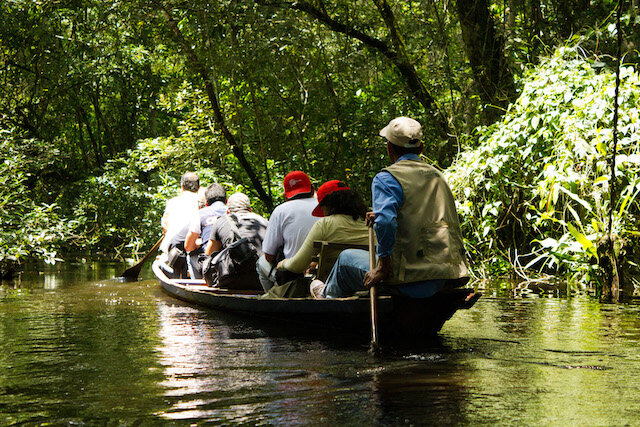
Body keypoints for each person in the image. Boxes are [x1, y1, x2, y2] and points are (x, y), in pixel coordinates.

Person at [318, 116, 469, 299]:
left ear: (389, 148)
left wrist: (382, 268)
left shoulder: (387, 178)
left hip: (409, 276)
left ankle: (326, 298)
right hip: (449, 273)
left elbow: (386, 223)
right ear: (420, 148)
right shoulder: (438, 176)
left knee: (345, 258)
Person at [275, 180, 370, 297]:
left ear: (327, 205)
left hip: (336, 288)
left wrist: (283, 263)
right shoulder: (371, 223)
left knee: (312, 283)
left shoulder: (325, 224)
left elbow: (297, 266)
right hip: (368, 282)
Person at [256, 171, 319, 291]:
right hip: (324, 274)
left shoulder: (281, 211)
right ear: (312, 189)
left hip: (293, 275)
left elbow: (269, 256)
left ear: (286, 196)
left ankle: (273, 297)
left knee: (260, 262)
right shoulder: (325, 208)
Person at [204, 192, 269, 289]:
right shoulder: (264, 221)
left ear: (228, 211)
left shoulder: (221, 221)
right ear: (250, 210)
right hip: (262, 280)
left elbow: (209, 253)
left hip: (233, 280)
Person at [159, 172, 200, 278]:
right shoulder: (203, 202)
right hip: (194, 250)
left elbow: (165, 226)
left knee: (164, 257)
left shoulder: (172, 202)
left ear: (182, 187)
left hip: (174, 251)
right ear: (199, 187)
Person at [184, 183, 227, 279]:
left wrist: (199, 243)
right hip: (230, 260)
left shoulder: (200, 214)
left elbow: (188, 246)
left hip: (210, 263)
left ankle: (199, 282)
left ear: (206, 203)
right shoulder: (232, 213)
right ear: (226, 201)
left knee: (190, 255)